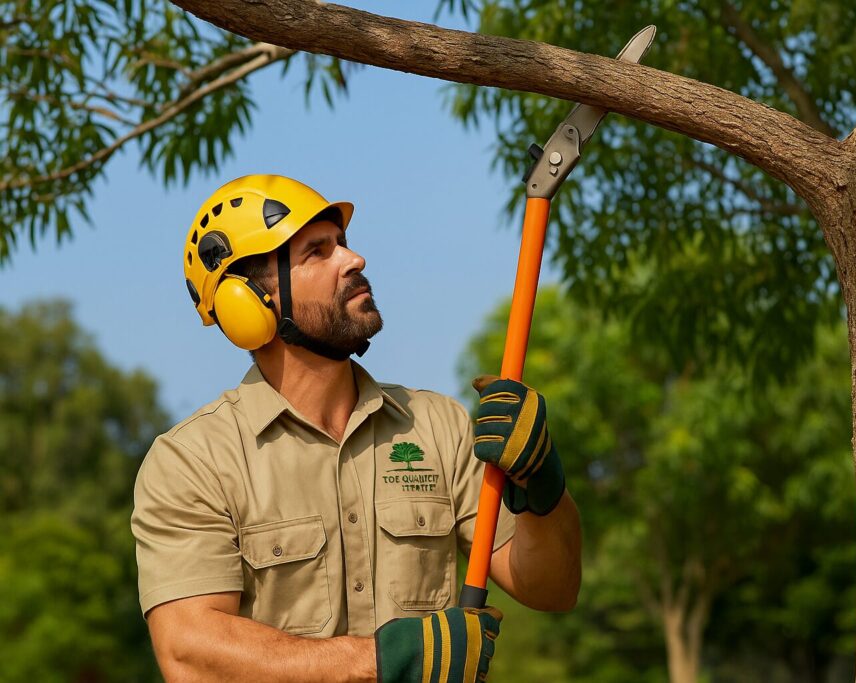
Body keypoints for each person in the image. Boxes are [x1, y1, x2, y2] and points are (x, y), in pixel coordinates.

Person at [130, 174, 582, 682]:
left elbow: (553, 588)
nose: (354, 259)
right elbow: (190, 655)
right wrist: (382, 660)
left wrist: (542, 488)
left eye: (341, 243)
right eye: (316, 252)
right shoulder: (193, 461)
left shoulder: (440, 427)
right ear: (248, 302)